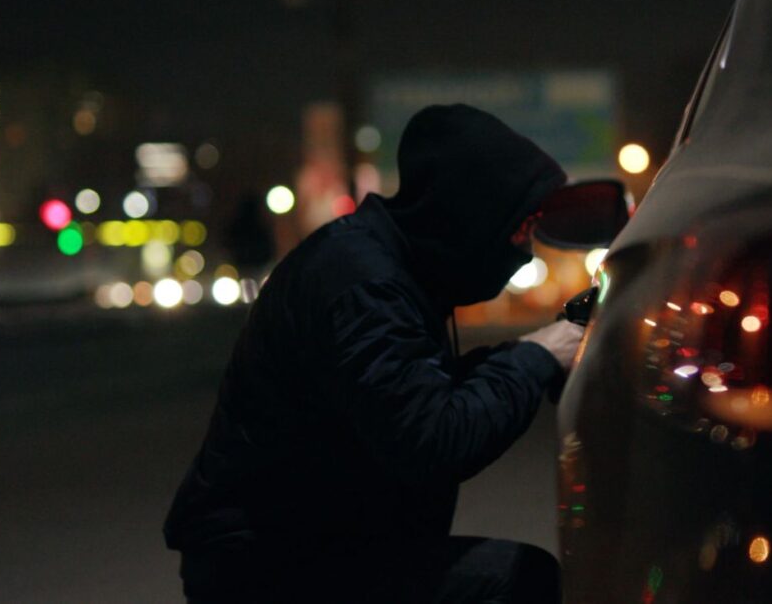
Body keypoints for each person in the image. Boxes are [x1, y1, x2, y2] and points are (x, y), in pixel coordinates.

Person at [164, 104, 584, 603]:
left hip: (305, 549)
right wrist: (533, 358)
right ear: (470, 213)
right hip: (268, 569)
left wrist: (536, 351)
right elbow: (433, 439)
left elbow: (416, 394)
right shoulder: (363, 284)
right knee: (516, 582)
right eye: (517, 230)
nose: (525, 251)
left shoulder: (389, 266)